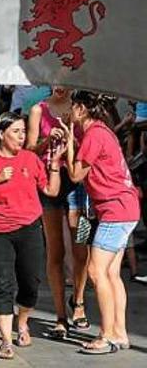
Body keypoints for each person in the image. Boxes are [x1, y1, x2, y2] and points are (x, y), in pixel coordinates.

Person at [0, 112, 62, 360]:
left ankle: (23, 322)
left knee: (31, 283)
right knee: (3, 284)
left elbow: (51, 190)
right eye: (16, 132)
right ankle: (6, 340)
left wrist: (55, 163)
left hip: (29, 227)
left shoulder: (30, 159)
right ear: (1, 134)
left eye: (23, 132)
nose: (21, 137)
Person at [63, 91, 141, 354]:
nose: (68, 112)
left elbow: (75, 175)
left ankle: (107, 335)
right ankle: (119, 332)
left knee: (97, 271)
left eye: (72, 107)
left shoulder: (94, 134)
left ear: (81, 109)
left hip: (115, 210)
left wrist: (69, 145)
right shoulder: (100, 131)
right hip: (120, 208)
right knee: (111, 274)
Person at [25, 86, 90, 339]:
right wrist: (46, 141)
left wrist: (71, 136)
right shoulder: (38, 110)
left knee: (81, 244)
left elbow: (90, 145)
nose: (59, 86)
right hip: (49, 181)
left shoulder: (80, 109)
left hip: (79, 184)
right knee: (54, 250)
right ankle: (60, 315)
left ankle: (80, 300)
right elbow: (29, 151)